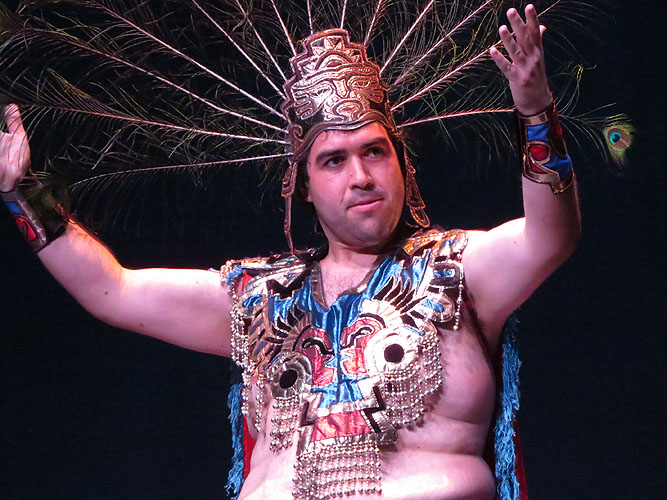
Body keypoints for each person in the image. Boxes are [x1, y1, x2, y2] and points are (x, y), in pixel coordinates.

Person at [1, 5, 580, 500]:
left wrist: (534, 110)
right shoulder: (257, 299)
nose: (361, 176)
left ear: (402, 164)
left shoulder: (458, 270)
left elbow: (549, 235)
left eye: (375, 152)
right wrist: (21, 194)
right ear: (302, 184)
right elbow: (112, 289)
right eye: (334, 160)